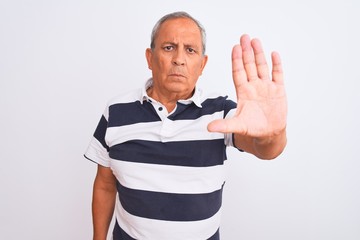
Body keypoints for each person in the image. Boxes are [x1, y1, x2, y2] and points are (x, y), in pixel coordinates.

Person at [84, 11, 287, 240]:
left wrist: (273, 133)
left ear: (202, 64)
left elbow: (267, 149)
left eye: (190, 50)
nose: (179, 59)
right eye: (169, 47)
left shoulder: (220, 111)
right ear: (150, 58)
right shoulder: (116, 111)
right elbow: (104, 184)